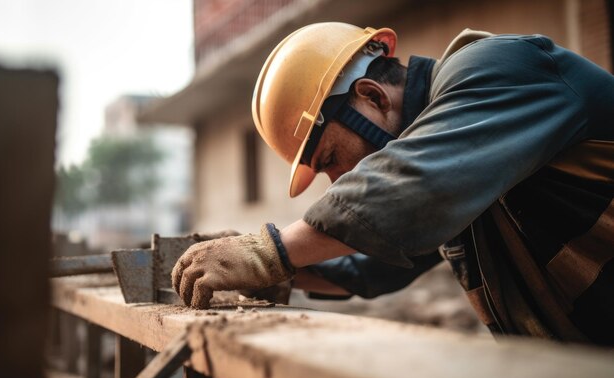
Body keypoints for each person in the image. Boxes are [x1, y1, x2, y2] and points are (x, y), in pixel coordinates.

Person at [171, 22, 614, 346]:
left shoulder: (499, 68)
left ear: (373, 96)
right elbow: (370, 268)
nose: (338, 181)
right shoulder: (451, 173)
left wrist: (267, 252)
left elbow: (409, 188)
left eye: (330, 159)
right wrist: (277, 275)